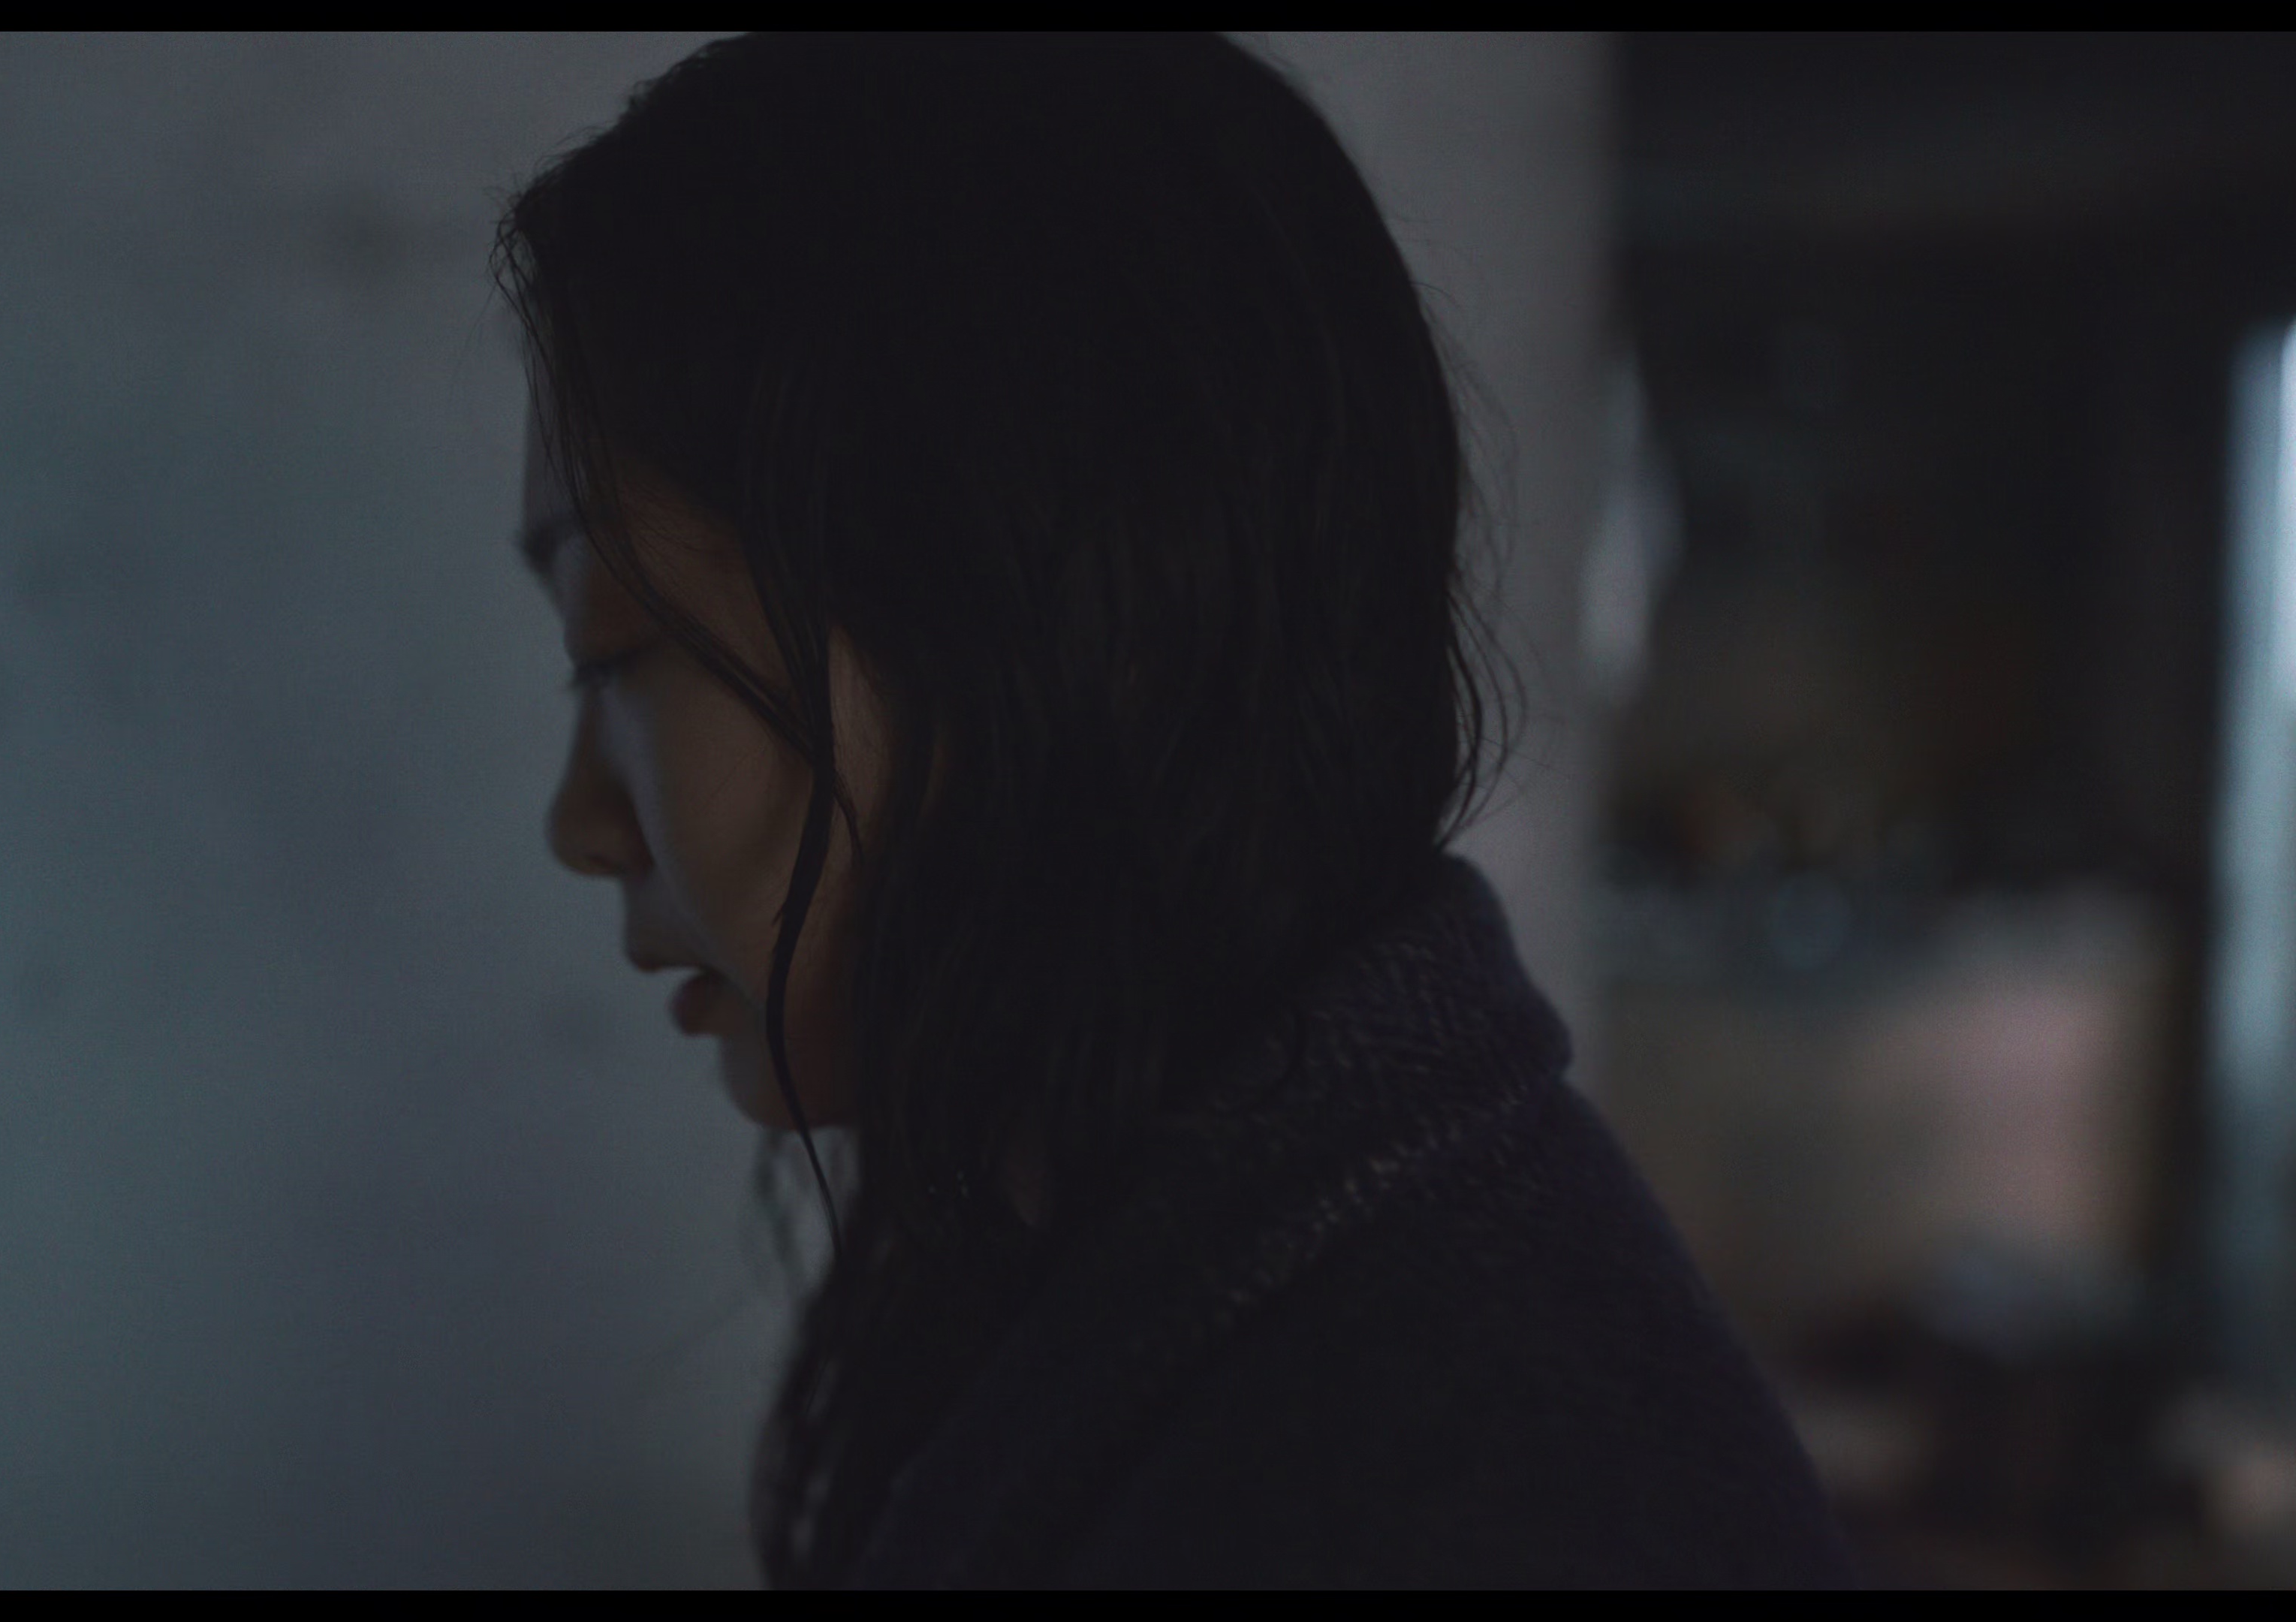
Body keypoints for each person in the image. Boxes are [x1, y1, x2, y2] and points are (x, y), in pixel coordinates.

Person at [502, 32, 1852, 1589]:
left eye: (618, 646)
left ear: (1022, 603)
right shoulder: (1210, 1260)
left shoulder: (1473, 1503)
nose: (579, 822)